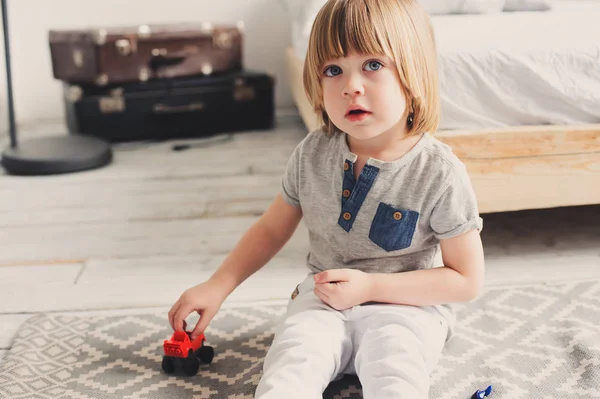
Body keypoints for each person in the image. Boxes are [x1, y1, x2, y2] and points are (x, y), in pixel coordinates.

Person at [168, 0, 485, 397]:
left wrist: (369, 288)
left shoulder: (438, 171)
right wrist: (217, 285)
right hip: (322, 301)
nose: (351, 85)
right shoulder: (312, 152)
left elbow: (467, 280)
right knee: (288, 369)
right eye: (333, 70)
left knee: (396, 373)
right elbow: (270, 229)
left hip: (407, 308)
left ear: (413, 74)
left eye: (373, 65)